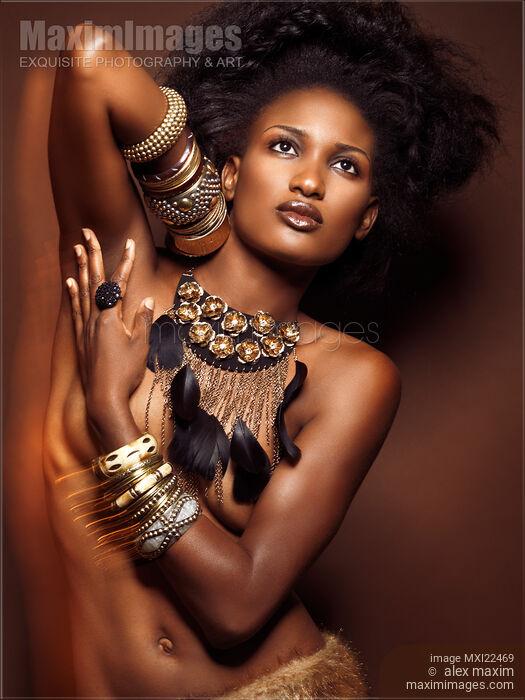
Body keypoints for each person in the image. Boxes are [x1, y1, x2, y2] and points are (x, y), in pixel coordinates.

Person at [44, 2, 498, 697]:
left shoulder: (353, 377)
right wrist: (199, 222)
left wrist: (114, 418)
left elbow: (236, 608)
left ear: (365, 219)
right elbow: (90, 60)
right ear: (230, 171)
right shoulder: (125, 274)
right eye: (284, 146)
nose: (310, 181)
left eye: (344, 165)